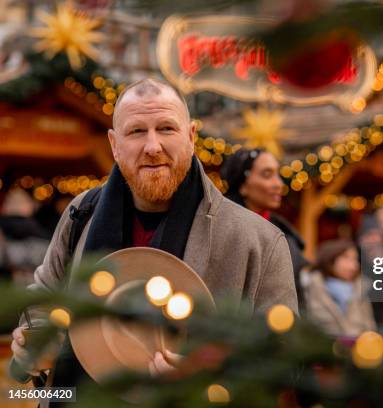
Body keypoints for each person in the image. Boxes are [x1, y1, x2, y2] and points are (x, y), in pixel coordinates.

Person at [10, 78, 298, 395]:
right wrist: (34, 345)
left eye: (166, 129)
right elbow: (45, 298)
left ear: (190, 136)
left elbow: (287, 360)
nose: (152, 147)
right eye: (136, 131)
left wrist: (210, 380)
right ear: (114, 144)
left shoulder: (259, 240)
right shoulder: (82, 213)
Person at [221, 148, 308, 309]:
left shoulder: (288, 238)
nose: (279, 184)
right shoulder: (221, 232)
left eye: (278, 175)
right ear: (242, 185)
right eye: (267, 175)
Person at [304, 239, 376, 337]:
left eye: (355, 259)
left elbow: (370, 329)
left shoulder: (361, 290)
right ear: (330, 259)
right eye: (346, 258)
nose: (354, 266)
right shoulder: (310, 288)